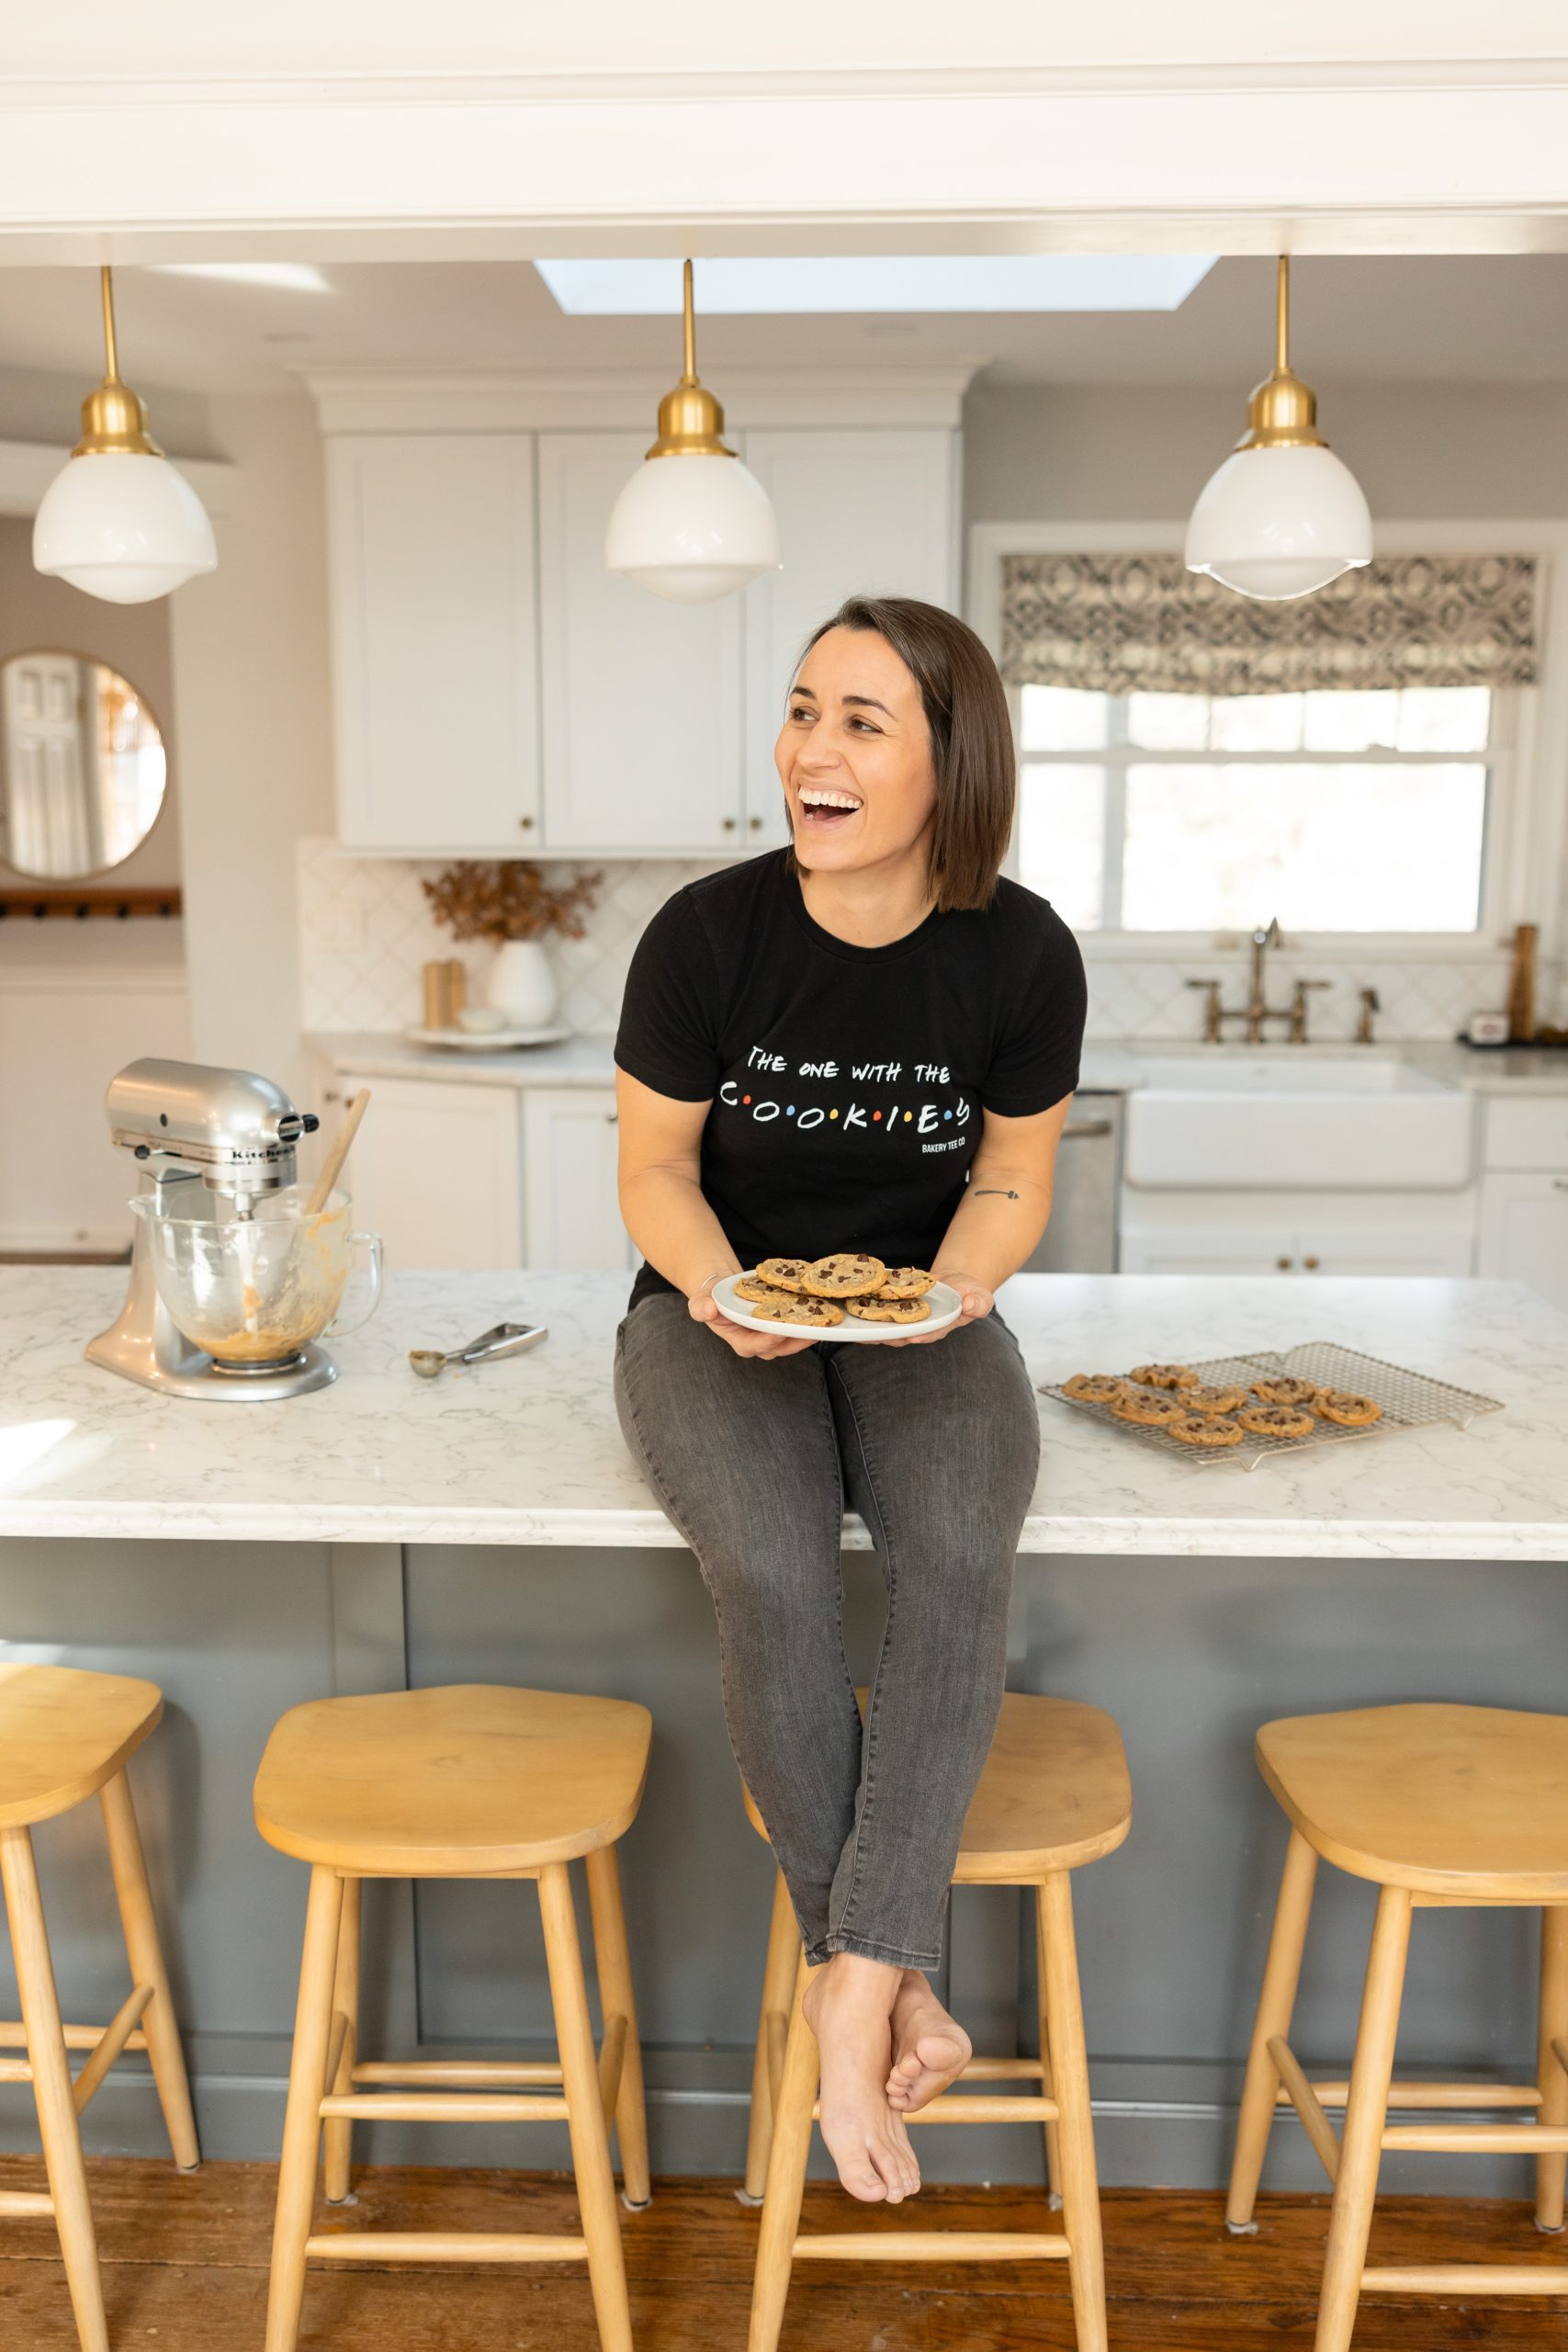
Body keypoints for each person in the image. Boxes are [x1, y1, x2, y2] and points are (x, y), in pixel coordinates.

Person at [612, 594, 1087, 2205]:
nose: (809, 749)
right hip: (710, 1300)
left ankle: (848, 1982)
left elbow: (1014, 1181)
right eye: (804, 709)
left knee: (957, 1554)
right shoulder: (706, 936)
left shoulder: (1022, 954)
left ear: (950, 766)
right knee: (769, 1565)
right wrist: (721, 1290)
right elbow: (657, 1171)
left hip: (926, 1310)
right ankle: (884, 1977)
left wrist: (942, 1299)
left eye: (860, 722)